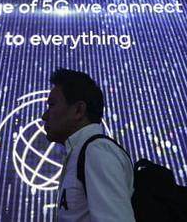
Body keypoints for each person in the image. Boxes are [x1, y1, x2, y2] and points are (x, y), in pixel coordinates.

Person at [42, 68, 135, 222]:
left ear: (78, 110)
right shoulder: (82, 153)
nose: (44, 116)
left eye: (52, 105)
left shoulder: (96, 152)